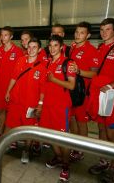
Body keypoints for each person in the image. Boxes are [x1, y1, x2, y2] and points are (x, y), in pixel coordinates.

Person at [88, 18, 114, 183]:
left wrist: (112, 85)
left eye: (108, 29)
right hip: (100, 95)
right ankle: (104, 161)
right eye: (102, 29)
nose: (104, 32)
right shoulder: (100, 47)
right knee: (101, 129)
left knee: (112, 132)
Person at [39, 35, 76, 182]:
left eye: (55, 45)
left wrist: (54, 79)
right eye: (50, 46)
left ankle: (66, 166)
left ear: (61, 47)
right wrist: (40, 104)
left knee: (63, 138)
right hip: (48, 106)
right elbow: (44, 85)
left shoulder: (68, 62)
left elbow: (71, 85)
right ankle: (59, 157)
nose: (52, 48)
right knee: (50, 135)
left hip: (61, 107)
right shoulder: (47, 63)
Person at [4, 37, 46, 163]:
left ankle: (26, 151)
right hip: (16, 100)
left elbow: (43, 90)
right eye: (29, 47)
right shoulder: (20, 60)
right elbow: (14, 77)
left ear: (39, 50)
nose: (31, 49)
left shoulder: (42, 67)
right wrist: (8, 91)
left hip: (31, 104)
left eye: (34, 47)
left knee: (29, 129)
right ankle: (4, 145)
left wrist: (40, 105)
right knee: (9, 125)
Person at [68, 22, 100, 161]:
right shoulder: (72, 47)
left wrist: (79, 71)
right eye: (76, 32)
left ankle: (81, 149)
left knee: (81, 122)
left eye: (81, 33)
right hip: (70, 91)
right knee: (73, 120)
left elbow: (94, 75)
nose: (78, 35)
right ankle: (75, 145)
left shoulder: (91, 50)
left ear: (88, 35)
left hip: (82, 93)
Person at [0, 26, 23, 144]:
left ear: (11, 36)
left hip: (12, 88)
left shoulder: (18, 51)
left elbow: (19, 73)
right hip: (0, 87)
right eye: (1, 35)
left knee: (12, 114)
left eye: (6, 35)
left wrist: (15, 90)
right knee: (1, 112)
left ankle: (12, 138)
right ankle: (0, 133)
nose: (3, 37)